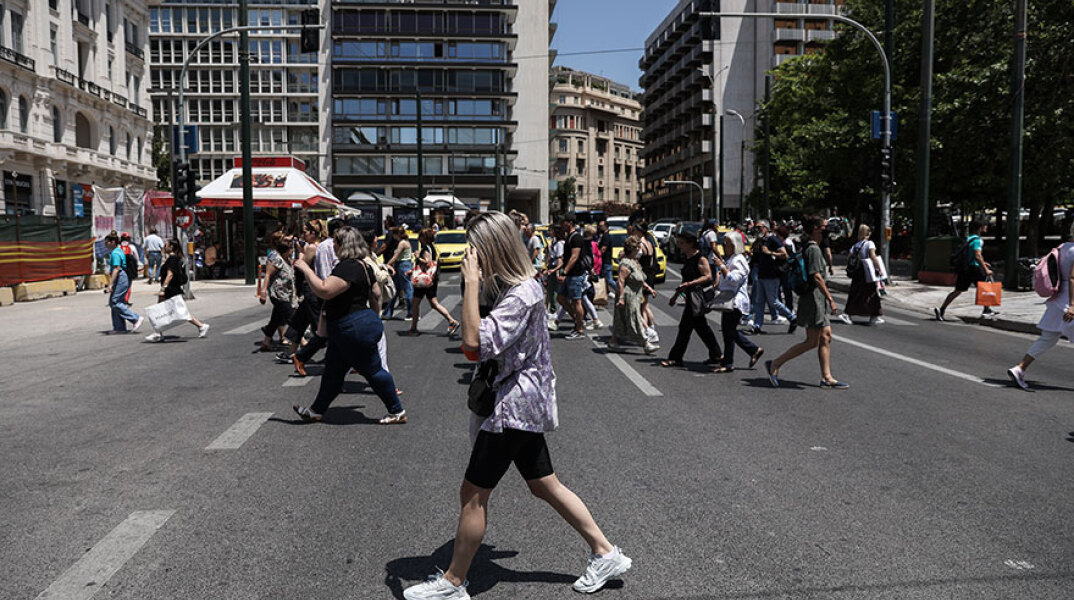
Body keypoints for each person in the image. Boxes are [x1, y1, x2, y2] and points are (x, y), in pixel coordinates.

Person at [403, 211, 631, 600]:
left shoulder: (522, 294)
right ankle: (605, 552)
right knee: (545, 485)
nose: (470, 258)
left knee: (473, 493)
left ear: (493, 249)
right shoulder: (519, 288)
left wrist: (471, 284)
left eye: (475, 251)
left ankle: (454, 582)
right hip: (521, 402)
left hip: (514, 406)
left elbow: (474, 345)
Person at [291, 227, 406, 424]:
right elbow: (376, 294)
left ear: (345, 244)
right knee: (333, 373)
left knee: (373, 370)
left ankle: (397, 411)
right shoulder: (364, 265)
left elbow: (325, 290)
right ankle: (316, 410)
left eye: (336, 242)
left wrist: (305, 267)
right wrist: (375, 317)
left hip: (351, 328)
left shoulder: (348, 267)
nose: (333, 245)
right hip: (351, 327)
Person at [765, 216, 848, 389]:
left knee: (826, 337)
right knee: (812, 341)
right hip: (813, 299)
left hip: (817, 298)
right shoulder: (813, 249)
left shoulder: (814, 247)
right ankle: (775, 363)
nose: (828, 229)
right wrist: (831, 299)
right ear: (817, 229)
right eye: (825, 226)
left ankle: (827, 377)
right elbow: (816, 276)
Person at [1007, 224, 1074, 390]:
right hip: (1068, 302)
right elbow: (1073, 278)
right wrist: (1072, 305)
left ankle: (1020, 368)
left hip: (1056, 299)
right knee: (1048, 338)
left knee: (1047, 338)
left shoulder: (1062, 247)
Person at [660, 233, 722, 368]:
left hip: (697, 298)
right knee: (702, 329)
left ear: (690, 244)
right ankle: (716, 354)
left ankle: (675, 358)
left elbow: (708, 277)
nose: (679, 246)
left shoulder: (700, 258)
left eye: (682, 243)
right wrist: (675, 296)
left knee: (684, 329)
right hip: (691, 298)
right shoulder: (687, 258)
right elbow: (684, 281)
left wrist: (690, 284)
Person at [711, 233, 763, 373]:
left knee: (729, 332)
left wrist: (721, 266)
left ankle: (729, 363)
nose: (723, 246)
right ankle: (752, 350)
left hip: (736, 301)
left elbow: (734, 279)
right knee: (729, 331)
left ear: (734, 246)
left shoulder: (738, 260)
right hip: (730, 300)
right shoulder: (732, 259)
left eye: (727, 244)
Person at [279, 220, 327, 361]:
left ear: (313, 233)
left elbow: (302, 265)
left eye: (305, 232)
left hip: (310, 287)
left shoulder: (312, 247)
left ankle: (332, 352)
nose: (303, 235)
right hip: (313, 286)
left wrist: (300, 253)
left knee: (319, 325)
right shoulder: (322, 245)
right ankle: (291, 353)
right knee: (299, 320)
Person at [145, 239, 210, 341]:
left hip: (170, 289)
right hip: (172, 289)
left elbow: (170, 274)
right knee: (164, 310)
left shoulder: (172, 259)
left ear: (171, 247)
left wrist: (163, 288)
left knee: (177, 311)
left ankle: (201, 326)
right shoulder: (174, 258)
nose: (164, 247)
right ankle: (158, 333)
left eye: (166, 245)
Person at [935, 218, 996, 321]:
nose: (986, 227)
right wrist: (985, 268)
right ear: (980, 228)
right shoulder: (978, 240)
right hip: (974, 268)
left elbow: (970, 254)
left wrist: (982, 262)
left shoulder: (969, 238)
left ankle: (941, 309)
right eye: (985, 226)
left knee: (958, 290)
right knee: (985, 287)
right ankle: (986, 310)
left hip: (965, 268)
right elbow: (977, 255)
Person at [608, 236, 658, 353]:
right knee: (635, 318)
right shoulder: (625, 263)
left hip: (636, 295)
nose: (640, 250)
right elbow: (621, 281)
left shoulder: (634, 262)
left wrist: (649, 288)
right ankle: (646, 343)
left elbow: (639, 278)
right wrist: (621, 298)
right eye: (638, 248)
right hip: (628, 295)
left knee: (621, 319)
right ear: (632, 249)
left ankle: (613, 341)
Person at [409, 227, 461, 335]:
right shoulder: (431, 247)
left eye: (420, 237)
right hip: (430, 279)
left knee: (416, 303)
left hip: (424, 281)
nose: (419, 239)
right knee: (433, 303)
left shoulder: (426, 249)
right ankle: (451, 321)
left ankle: (414, 328)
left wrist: (418, 257)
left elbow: (427, 263)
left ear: (425, 238)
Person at [748, 223, 796, 335]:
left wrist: (770, 253)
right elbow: (754, 252)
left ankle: (792, 317)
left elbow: (785, 255)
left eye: (760, 227)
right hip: (761, 274)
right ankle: (757, 326)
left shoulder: (773, 240)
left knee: (773, 301)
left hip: (771, 275)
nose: (758, 229)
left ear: (767, 228)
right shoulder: (760, 241)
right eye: (756, 227)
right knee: (759, 302)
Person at [257, 231, 295, 352]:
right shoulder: (275, 256)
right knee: (292, 318)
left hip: (285, 292)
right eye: (285, 241)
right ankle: (302, 341)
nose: (288, 243)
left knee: (276, 318)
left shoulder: (285, 255)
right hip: (278, 293)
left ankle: (266, 342)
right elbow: (267, 275)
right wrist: (263, 291)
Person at [841, 224, 886, 325]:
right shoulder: (870, 243)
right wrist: (879, 268)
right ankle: (873, 315)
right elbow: (873, 256)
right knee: (871, 293)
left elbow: (849, 257)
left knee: (856, 293)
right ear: (868, 233)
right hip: (867, 272)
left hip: (857, 272)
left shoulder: (856, 245)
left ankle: (872, 315)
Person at [556, 219, 591, 340]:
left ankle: (579, 329)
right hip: (569, 274)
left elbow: (574, 257)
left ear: (570, 222)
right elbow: (566, 258)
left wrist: (564, 273)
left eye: (563, 222)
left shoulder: (576, 238)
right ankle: (577, 320)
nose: (561, 224)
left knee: (577, 301)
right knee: (560, 298)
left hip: (575, 274)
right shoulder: (569, 237)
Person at [104, 233, 144, 334]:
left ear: (113, 242)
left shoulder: (116, 253)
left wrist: (111, 284)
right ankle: (119, 327)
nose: (105, 244)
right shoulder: (117, 251)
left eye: (107, 242)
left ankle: (135, 318)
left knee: (115, 302)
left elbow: (117, 269)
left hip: (121, 277)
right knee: (116, 302)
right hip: (122, 277)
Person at [384, 227, 414, 320]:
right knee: (394, 290)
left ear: (397, 234)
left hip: (403, 266)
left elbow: (395, 256)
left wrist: (386, 265)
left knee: (407, 289)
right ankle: (388, 313)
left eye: (394, 234)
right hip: (403, 265)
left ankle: (411, 313)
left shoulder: (402, 243)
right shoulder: (406, 242)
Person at [596, 220, 618, 297]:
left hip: (606, 261)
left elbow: (603, 249)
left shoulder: (606, 236)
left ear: (606, 226)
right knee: (604, 279)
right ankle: (607, 293)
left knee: (609, 280)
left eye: (601, 226)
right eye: (599, 226)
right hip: (604, 262)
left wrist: (596, 256)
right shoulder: (602, 235)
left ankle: (621, 292)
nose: (599, 227)